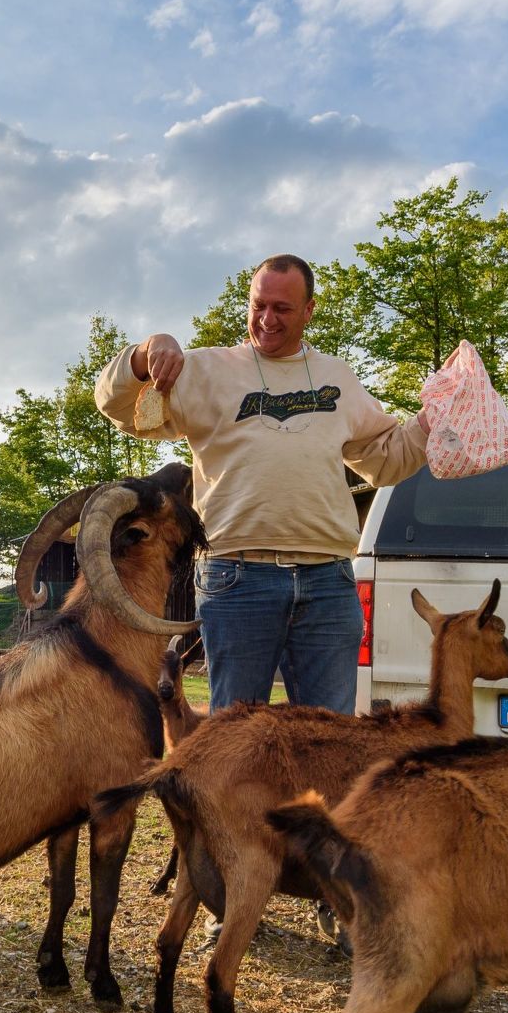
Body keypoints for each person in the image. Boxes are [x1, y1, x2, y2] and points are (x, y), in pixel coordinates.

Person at [95, 254, 431, 714]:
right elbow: (116, 405)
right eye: (258, 306)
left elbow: (386, 461)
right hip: (237, 578)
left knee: (327, 739)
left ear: (309, 310)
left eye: (283, 309)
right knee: (235, 744)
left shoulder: (339, 378)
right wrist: (145, 352)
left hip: (328, 582)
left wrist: (430, 424)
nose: (267, 320)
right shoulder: (206, 371)